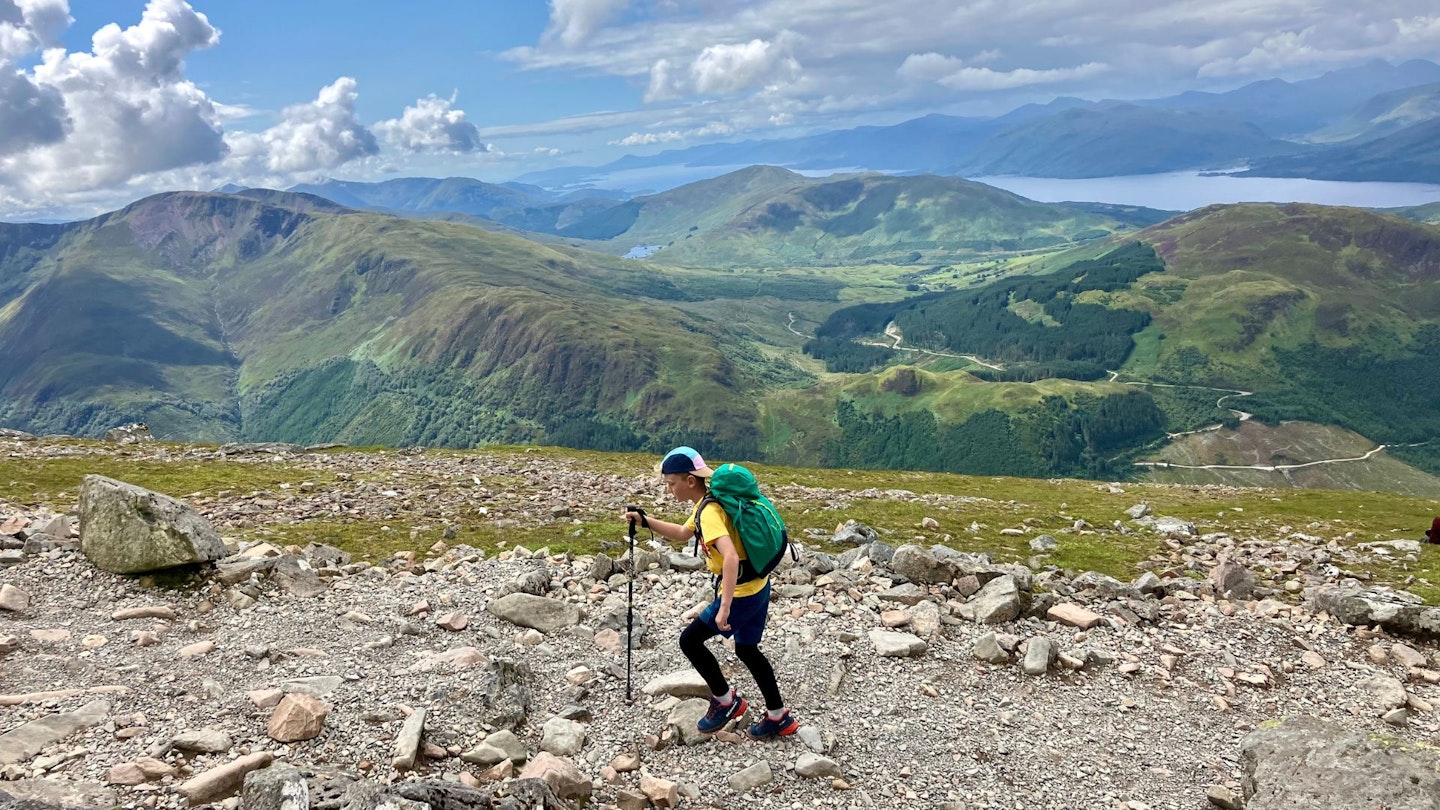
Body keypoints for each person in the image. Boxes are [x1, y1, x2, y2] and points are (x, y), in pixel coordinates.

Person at [623, 446, 798, 739]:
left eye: (671, 483)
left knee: (689, 641)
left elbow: (729, 557)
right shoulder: (708, 501)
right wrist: (645, 521)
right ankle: (778, 717)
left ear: (690, 480)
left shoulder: (710, 512)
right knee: (747, 649)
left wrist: (725, 606)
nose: (669, 489)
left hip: (740, 592)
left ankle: (726, 701)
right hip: (757, 584)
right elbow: (682, 533)